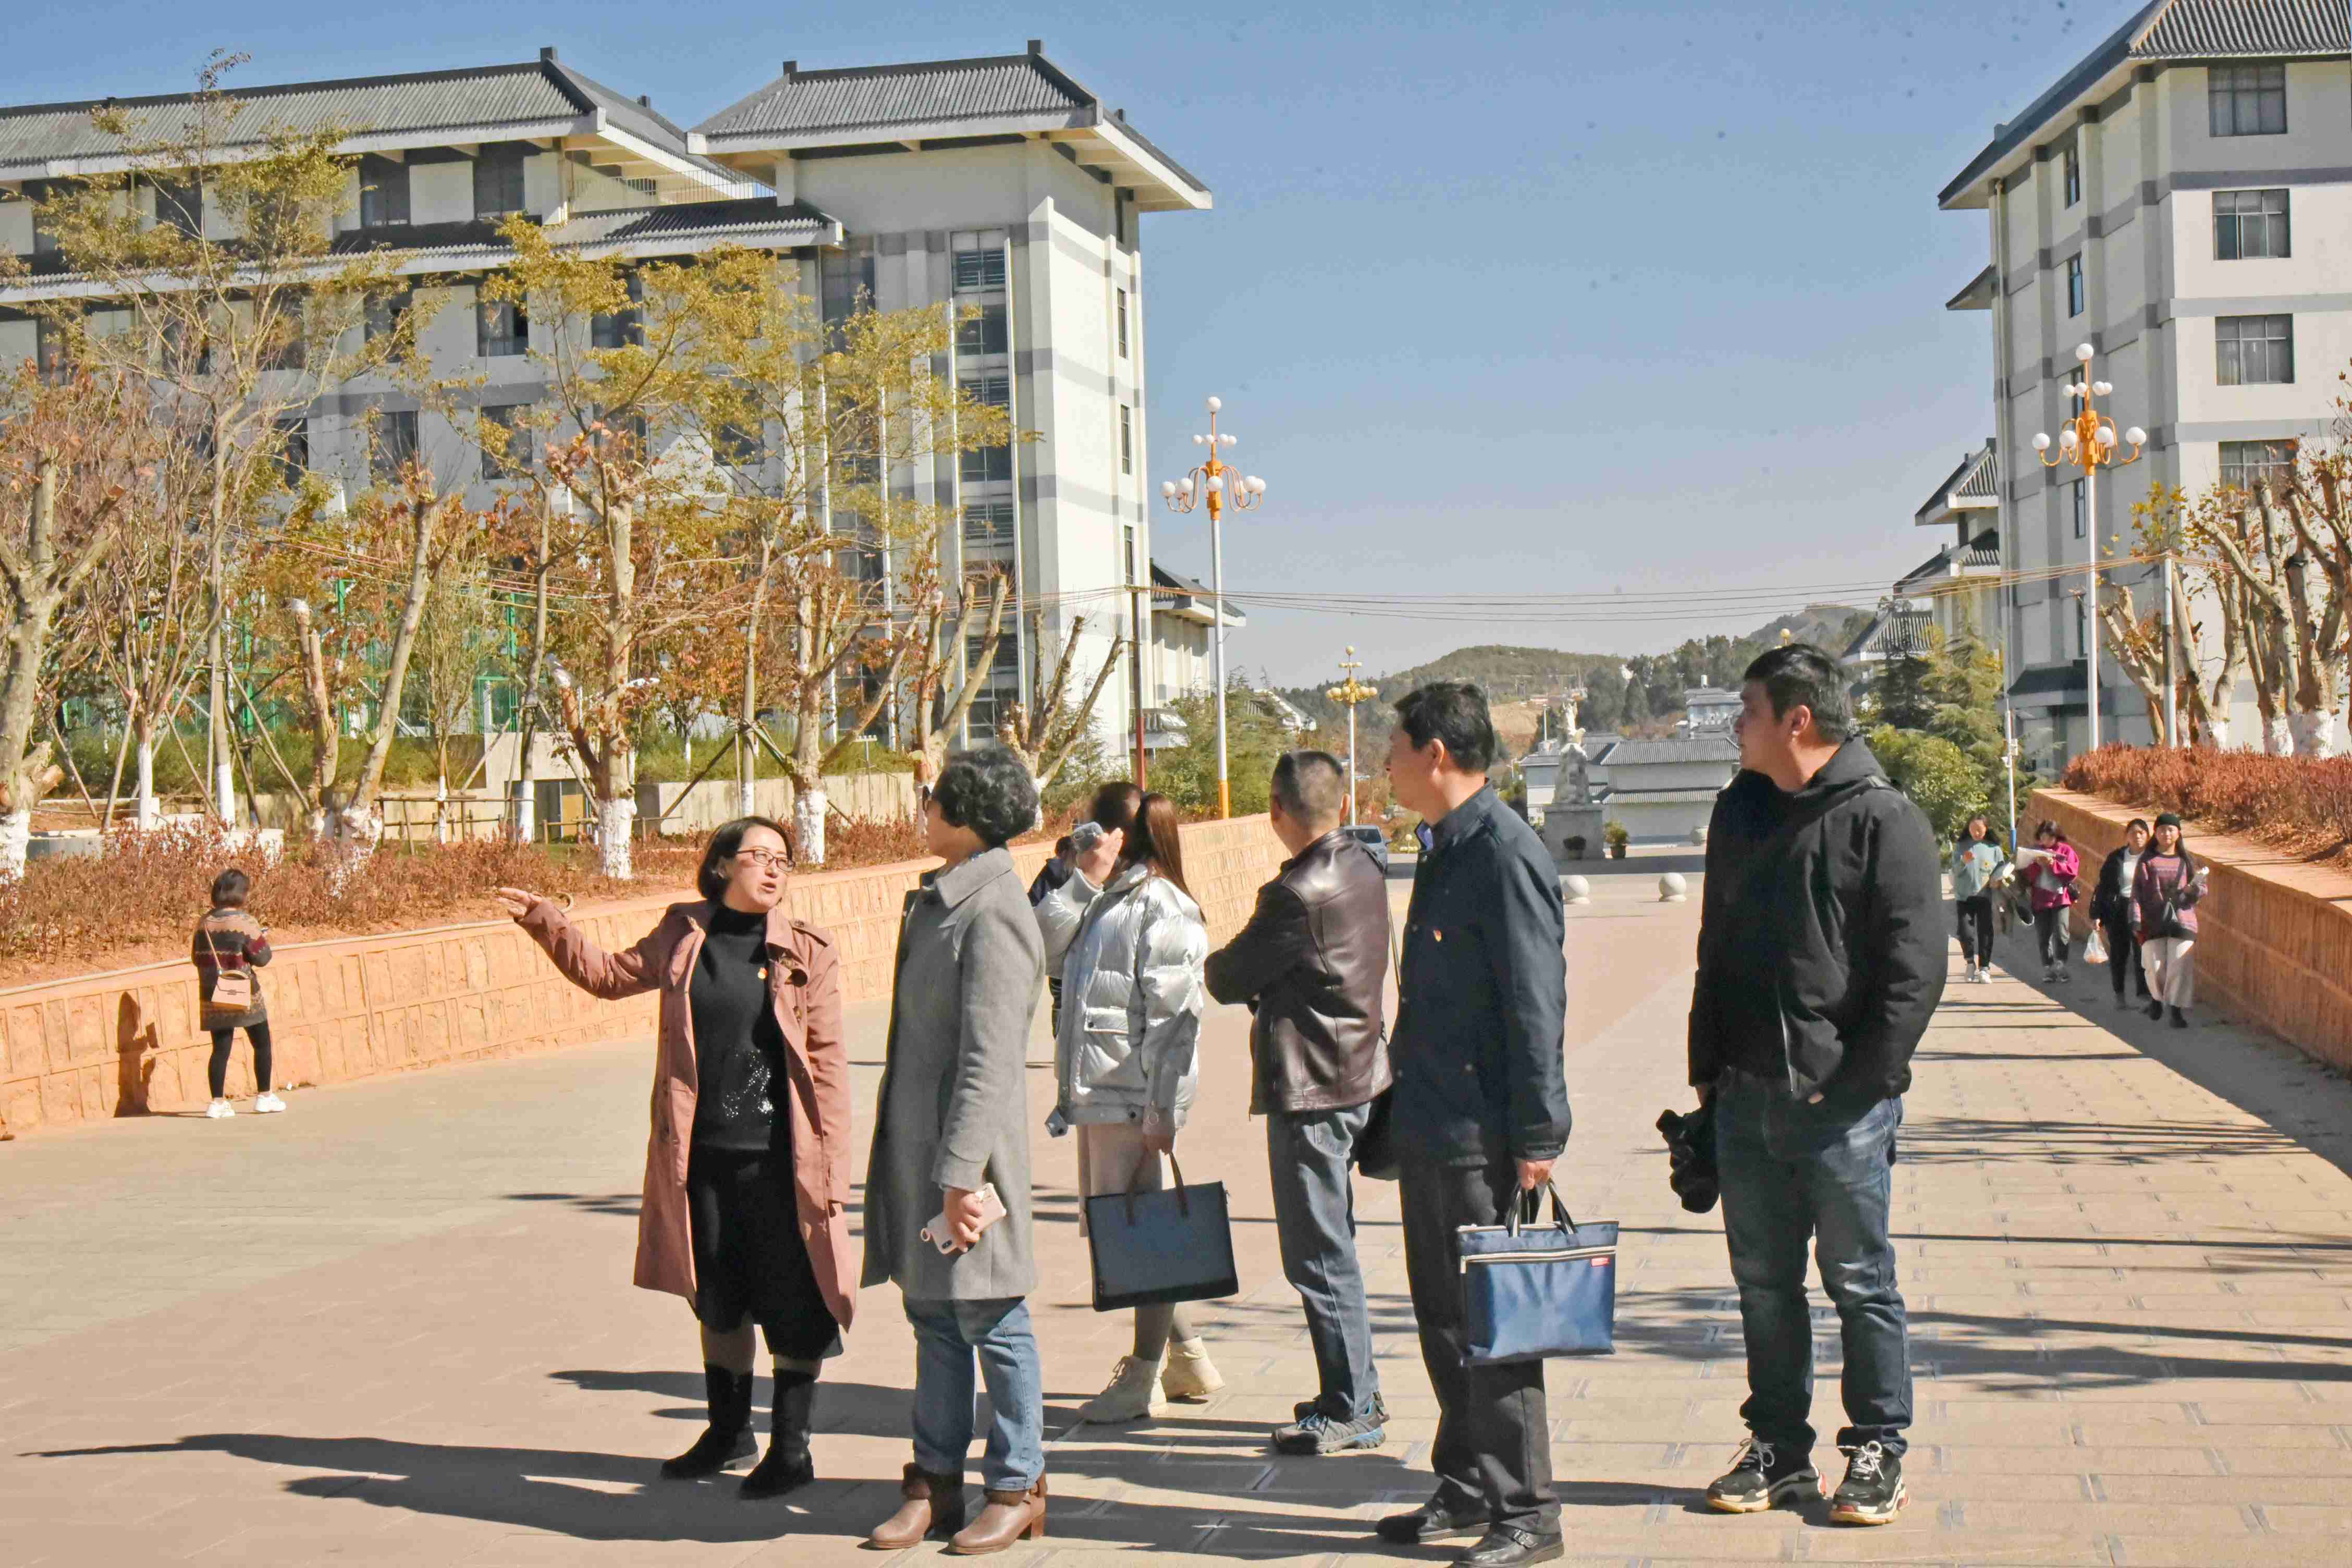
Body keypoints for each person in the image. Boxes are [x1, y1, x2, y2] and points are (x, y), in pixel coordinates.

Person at [494, 817, 853, 1499]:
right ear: (721, 865)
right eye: (759, 856)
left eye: (783, 860)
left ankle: (792, 1449)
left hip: (784, 1163)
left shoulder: (807, 949)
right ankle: (728, 1433)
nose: (774, 870)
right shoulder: (683, 934)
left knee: (795, 1303)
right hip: (703, 1158)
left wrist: (833, 1167)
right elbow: (608, 976)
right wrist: (547, 922)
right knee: (718, 1298)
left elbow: (828, 1063)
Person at [1689, 643, 1942, 1528]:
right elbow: (1714, 948)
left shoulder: (1884, 818)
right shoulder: (1739, 811)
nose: (1737, 725)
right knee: (1763, 1284)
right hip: (1743, 1093)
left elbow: (1914, 975)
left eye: (1749, 710)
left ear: (1797, 720)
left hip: (1841, 1108)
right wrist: (1707, 1077)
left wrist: (1857, 1087)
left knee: (1859, 1280)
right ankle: (1779, 1448)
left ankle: (1877, 1447)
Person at [1375, 682, 1570, 1568]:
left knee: (1493, 1326)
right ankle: (1465, 1483)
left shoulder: (1502, 852)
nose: (1386, 766)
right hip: (1431, 1122)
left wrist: (1539, 1135)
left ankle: (1527, 1510)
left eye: (1394, 749)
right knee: (1443, 1321)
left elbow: (1535, 1002)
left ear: (1436, 754)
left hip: (1482, 1132)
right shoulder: (1445, 846)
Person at [862, 746, 1050, 1552]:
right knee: (933, 1316)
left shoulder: (993, 908)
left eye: (935, 800)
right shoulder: (941, 898)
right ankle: (935, 1482)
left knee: (992, 1316)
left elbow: (990, 1059)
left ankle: (1017, 1485)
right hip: (922, 1155)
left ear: (967, 818)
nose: (925, 810)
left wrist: (961, 1175)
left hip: (967, 1166)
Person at [1205, 750, 1393, 1456]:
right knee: (1331, 1242)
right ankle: (1353, 1388)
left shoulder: (1296, 891)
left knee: (1317, 1251)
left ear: (1276, 812)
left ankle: (1353, 1405)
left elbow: (1228, 976)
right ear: (1341, 805)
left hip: (1314, 1086)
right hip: (1359, 1073)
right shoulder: (1364, 865)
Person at [1035, 783, 1223, 1423]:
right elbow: (1043, 950)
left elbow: (1177, 1022)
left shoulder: (1163, 905)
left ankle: (1142, 1376)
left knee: (1142, 1237)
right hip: (1100, 1095)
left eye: (1089, 825)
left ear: (1116, 832)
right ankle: (1188, 1355)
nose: (1080, 835)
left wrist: (1164, 1112)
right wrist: (1082, 880)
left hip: (1133, 1100)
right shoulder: (1105, 895)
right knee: (1136, 1233)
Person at [191, 868, 280, 1119]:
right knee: (261, 1044)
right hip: (245, 994)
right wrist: (261, 939)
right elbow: (263, 958)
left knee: (220, 1049)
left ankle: (217, 1103)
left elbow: (196, 958)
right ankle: (264, 1097)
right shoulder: (245, 922)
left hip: (213, 994)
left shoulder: (203, 923)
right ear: (241, 893)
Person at [2133, 812, 2205, 1030]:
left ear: (2179, 833)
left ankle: (2176, 1010)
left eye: (2171, 829)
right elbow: (2137, 893)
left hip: (2183, 920)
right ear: (2155, 833)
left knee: (2180, 966)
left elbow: (2202, 888)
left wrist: (2194, 890)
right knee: (2155, 967)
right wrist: (2136, 920)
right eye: (2162, 829)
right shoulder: (2147, 861)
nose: (2167, 834)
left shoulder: (2188, 861)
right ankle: (2157, 1000)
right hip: (2153, 921)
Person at [2090, 818, 2152, 1012]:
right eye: (2133, 832)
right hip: (2118, 909)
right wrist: (2097, 914)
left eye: (2142, 832)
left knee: (2143, 953)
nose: (2138, 836)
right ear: (2127, 836)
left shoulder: (2153, 858)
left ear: (2148, 835)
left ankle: (2144, 996)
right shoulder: (2116, 858)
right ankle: (2120, 994)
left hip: (2143, 910)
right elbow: (2103, 887)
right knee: (2119, 953)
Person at [1948, 817, 2006, 985]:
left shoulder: (1994, 849)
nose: (1976, 832)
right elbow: (1955, 871)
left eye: (1980, 829)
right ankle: (1970, 963)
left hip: (1985, 897)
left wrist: (1998, 881)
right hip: (1964, 897)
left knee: (1985, 932)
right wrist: (1964, 861)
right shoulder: (1961, 847)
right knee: (1965, 932)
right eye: (1973, 829)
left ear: (1987, 829)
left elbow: (2001, 871)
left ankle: (1984, 969)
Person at [2022, 820, 2081, 984]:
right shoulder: (2035, 851)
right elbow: (2026, 874)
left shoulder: (2066, 851)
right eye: (2043, 837)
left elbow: (2072, 872)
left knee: (2062, 932)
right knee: (2044, 935)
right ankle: (2048, 968)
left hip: (2060, 898)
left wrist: (2054, 864)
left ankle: (2061, 964)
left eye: (2050, 838)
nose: (2046, 841)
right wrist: (2037, 865)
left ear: (2057, 837)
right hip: (2040, 899)